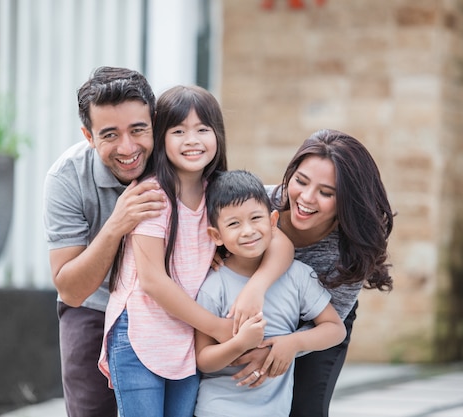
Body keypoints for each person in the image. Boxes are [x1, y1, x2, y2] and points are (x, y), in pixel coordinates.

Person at [98, 86, 292, 417]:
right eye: (179, 131)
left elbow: (280, 241)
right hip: (140, 333)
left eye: (203, 129)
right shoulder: (151, 194)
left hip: (187, 339)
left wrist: (256, 287)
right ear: (161, 138)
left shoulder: (219, 194)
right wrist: (219, 329)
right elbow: (153, 282)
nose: (192, 140)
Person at [230, 129, 394, 417]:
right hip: (254, 311)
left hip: (319, 321)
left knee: (306, 408)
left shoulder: (352, 248)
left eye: (326, 193)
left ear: (347, 198)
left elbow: (329, 326)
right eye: (300, 182)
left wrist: (288, 345)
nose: (306, 198)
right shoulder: (256, 205)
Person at [43, 67, 167, 417]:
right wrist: (117, 224)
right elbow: (70, 290)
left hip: (170, 307)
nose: (128, 148)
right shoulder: (66, 178)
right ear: (88, 135)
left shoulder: (178, 158)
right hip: (94, 308)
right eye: (110, 134)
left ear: (154, 122)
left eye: (138, 130)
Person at [194, 169, 346, 417]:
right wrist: (239, 344)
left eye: (256, 218)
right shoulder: (213, 286)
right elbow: (204, 359)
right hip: (218, 408)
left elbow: (335, 329)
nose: (248, 231)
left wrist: (292, 343)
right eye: (234, 223)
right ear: (216, 236)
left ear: (273, 221)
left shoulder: (298, 276)